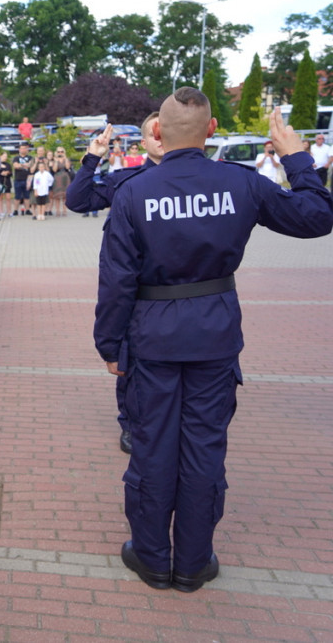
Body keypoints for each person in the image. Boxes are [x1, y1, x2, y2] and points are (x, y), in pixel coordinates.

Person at [95, 88, 332, 593]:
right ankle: (194, 562)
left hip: (152, 337)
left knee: (154, 448)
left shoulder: (134, 192)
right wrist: (295, 156)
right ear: (213, 127)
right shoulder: (239, 183)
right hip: (215, 334)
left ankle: (154, 558)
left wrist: (109, 346)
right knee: (204, 447)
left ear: (156, 130)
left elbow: (115, 280)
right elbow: (316, 217)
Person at [69, 113, 164, 454]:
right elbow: (77, 200)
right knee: (134, 365)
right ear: (143, 143)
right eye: (155, 132)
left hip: (179, 295)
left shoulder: (203, 182)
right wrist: (93, 156)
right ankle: (131, 422)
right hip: (138, 296)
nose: (163, 136)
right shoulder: (127, 180)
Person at [12, 142, 35, 216]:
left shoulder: (30, 157)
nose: (23, 150)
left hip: (27, 179)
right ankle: (15, 210)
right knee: (17, 196)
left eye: (24, 148)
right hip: (18, 179)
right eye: (21, 148)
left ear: (27, 149)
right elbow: (15, 166)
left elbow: (30, 165)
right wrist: (24, 165)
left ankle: (27, 210)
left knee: (27, 196)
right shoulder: (16, 158)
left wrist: (21, 165)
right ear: (19, 149)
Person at [49, 147, 71, 217]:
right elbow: (54, 169)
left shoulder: (66, 159)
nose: (60, 153)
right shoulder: (54, 160)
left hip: (65, 176)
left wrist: (65, 158)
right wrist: (56, 160)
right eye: (58, 152)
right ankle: (58, 210)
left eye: (61, 151)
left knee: (65, 196)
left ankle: (64, 210)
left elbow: (67, 167)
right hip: (57, 177)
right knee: (57, 196)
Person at [0, 151, 14, 218]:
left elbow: (11, 173)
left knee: (8, 198)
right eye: (4, 156)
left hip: (7, 182)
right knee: (0, 198)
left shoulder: (8, 164)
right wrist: (1, 173)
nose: (5, 158)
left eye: (6, 156)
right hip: (0, 182)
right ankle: (1, 212)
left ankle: (9, 211)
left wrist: (7, 173)